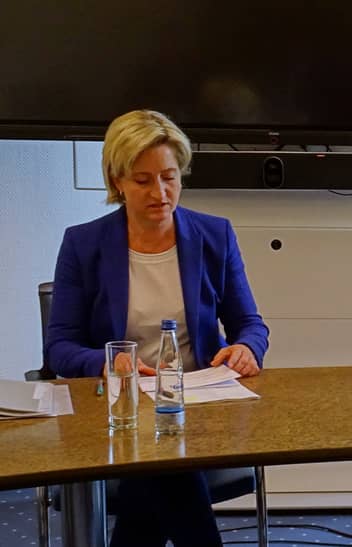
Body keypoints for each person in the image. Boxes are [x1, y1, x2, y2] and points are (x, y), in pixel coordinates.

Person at [45, 109, 270, 547]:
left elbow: (250, 324)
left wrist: (246, 349)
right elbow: (59, 347)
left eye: (169, 177)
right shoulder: (83, 244)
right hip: (119, 411)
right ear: (117, 183)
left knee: (161, 464)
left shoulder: (215, 235)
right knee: (166, 465)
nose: (160, 193)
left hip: (199, 406)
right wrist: (110, 363)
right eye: (143, 180)